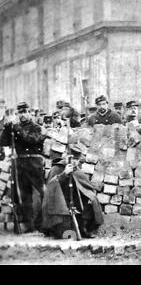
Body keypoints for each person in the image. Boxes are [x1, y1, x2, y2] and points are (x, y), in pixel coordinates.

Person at [0, 102, 46, 232]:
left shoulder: (37, 127)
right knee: (24, 196)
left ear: (30, 113)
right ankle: (30, 225)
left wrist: (17, 130)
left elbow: (32, 139)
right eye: (20, 113)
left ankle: (43, 223)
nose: (22, 115)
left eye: (25, 112)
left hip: (34, 163)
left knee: (42, 193)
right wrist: (7, 129)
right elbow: (3, 142)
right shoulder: (15, 128)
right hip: (20, 164)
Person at [41, 145, 104, 239]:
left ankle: (85, 229)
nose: (74, 162)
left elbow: (86, 187)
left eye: (76, 159)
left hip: (75, 205)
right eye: (72, 158)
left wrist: (90, 197)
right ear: (66, 156)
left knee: (91, 200)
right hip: (59, 205)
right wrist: (64, 174)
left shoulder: (77, 171)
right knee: (63, 233)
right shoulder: (56, 169)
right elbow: (51, 189)